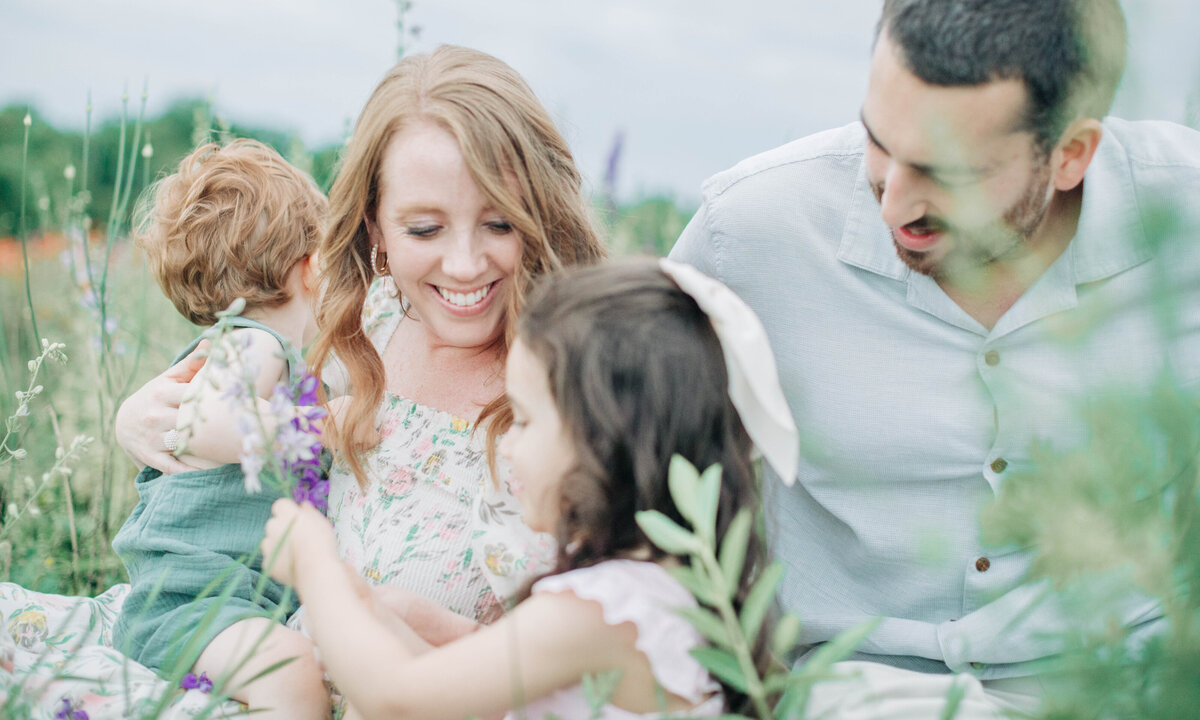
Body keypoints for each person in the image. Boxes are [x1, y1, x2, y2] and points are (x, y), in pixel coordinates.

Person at [670, 0, 1200, 717]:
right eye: (880, 144)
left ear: (1070, 155)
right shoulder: (745, 232)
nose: (894, 201)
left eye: (945, 172)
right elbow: (620, 454)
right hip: (845, 690)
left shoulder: (1183, 219)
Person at [115, 44, 607, 633]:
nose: (465, 264)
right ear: (374, 224)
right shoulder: (359, 328)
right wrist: (136, 417)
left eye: (499, 221)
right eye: (424, 228)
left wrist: (430, 631)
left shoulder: (584, 384)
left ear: (542, 214)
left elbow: (591, 654)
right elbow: (216, 419)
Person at [259, 258, 801, 720]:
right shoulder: (668, 586)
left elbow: (395, 698)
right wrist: (417, 624)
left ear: (602, 441)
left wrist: (316, 567)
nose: (508, 447)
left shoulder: (599, 610)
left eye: (522, 420)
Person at [112, 138, 329, 719]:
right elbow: (206, 422)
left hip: (212, 602)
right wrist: (319, 430)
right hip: (185, 605)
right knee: (291, 672)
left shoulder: (252, 350)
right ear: (312, 265)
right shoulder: (257, 343)